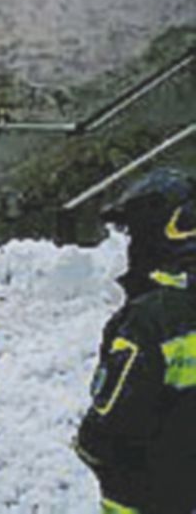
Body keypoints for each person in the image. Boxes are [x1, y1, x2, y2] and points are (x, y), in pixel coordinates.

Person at [75, 168, 196, 514]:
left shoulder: (151, 318)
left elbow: (114, 416)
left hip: (143, 491)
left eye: (136, 234)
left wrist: (89, 443)